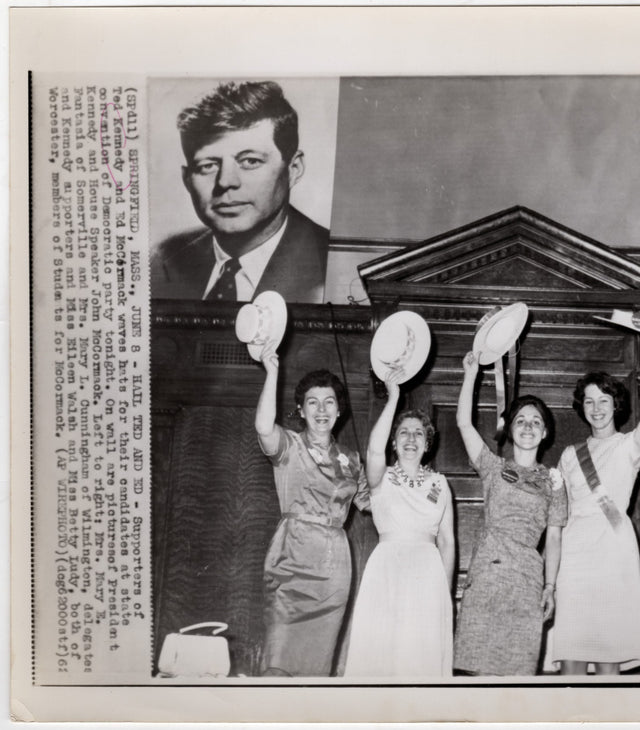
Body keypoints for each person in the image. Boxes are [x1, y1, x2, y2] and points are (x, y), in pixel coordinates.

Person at [151, 80, 330, 303]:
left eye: (250, 161)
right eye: (208, 165)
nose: (226, 181)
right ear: (187, 179)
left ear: (294, 169)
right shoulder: (161, 262)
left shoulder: (334, 265)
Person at [551, 329, 640, 675]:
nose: (596, 408)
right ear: (581, 407)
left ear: (616, 404)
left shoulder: (629, 446)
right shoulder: (570, 455)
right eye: (589, 401)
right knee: (571, 656)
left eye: (603, 400)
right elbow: (558, 512)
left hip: (612, 551)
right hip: (574, 554)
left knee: (608, 659)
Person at [254, 342, 368, 676]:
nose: (321, 409)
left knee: (316, 669)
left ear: (339, 410)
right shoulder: (289, 445)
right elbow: (264, 428)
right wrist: (272, 371)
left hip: (333, 569)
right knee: (278, 661)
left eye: (329, 401)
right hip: (291, 559)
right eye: (312, 402)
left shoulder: (352, 460)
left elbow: (374, 503)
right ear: (301, 410)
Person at [453, 351, 567, 676]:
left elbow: (554, 538)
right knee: (475, 673)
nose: (528, 426)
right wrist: (471, 375)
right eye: (520, 420)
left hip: (527, 583)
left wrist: (550, 587)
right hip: (488, 576)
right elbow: (464, 423)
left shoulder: (554, 480)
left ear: (545, 433)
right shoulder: (493, 467)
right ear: (510, 429)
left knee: (517, 678)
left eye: (536, 422)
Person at [344, 369, 455, 677]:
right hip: (387, 568)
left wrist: (443, 593)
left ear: (427, 443)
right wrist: (393, 397)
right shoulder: (381, 478)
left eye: (418, 433)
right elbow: (373, 450)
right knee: (382, 650)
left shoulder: (440, 483)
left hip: (428, 573)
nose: (411, 438)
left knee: (421, 654)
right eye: (403, 433)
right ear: (394, 442)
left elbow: (447, 542)